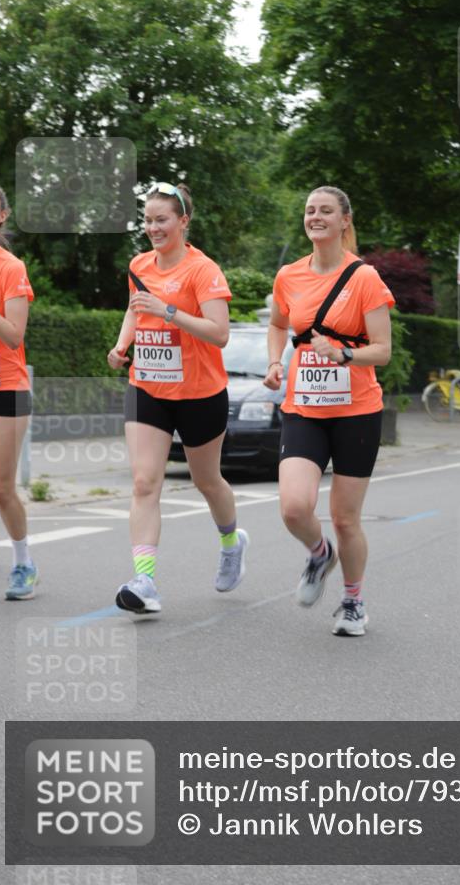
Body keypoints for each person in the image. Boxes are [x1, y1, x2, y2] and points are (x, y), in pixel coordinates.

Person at [107, 181, 247, 614]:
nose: (153, 227)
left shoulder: (203, 270)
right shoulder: (139, 263)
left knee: (207, 481)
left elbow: (219, 333)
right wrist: (121, 345)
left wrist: (170, 312)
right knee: (145, 481)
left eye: (161, 219)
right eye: (147, 220)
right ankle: (144, 580)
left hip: (200, 392)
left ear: (183, 221)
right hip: (148, 385)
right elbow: (136, 307)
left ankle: (230, 541)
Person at [264, 186, 394, 636]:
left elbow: (382, 351)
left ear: (344, 220)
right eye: (309, 211)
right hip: (304, 406)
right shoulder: (289, 276)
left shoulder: (365, 278)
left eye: (325, 211)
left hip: (357, 409)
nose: (315, 217)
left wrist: (342, 356)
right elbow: (279, 324)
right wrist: (276, 361)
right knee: (294, 507)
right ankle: (320, 554)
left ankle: (353, 602)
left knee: (344, 518)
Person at [0, 184, 36, 598]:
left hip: (6, 387)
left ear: (2, 215)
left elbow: (15, 337)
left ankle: (24, 562)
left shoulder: (11, 269)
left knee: (0, 485)